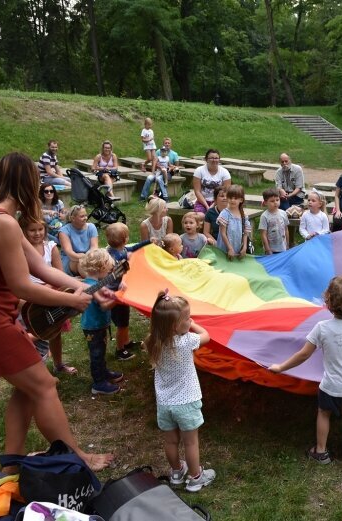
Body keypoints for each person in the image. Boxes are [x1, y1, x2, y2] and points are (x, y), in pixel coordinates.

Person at [0, 151, 113, 472]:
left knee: (27, 389)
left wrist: (82, 286)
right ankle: (78, 458)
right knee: (44, 386)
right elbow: (22, 286)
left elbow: (40, 266)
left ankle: (11, 465)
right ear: (29, 183)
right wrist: (68, 299)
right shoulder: (1, 223)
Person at [269, 276, 342, 464]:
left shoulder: (322, 328)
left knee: (324, 413)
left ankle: (321, 451)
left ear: (329, 301)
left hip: (332, 387)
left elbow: (303, 355)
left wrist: (281, 367)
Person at [144, 291, 215, 492]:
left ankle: (176, 472)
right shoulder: (186, 341)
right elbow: (206, 336)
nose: (190, 320)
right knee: (191, 442)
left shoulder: (152, 342)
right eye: (187, 318)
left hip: (165, 403)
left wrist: (185, 321)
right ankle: (195, 477)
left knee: (170, 440)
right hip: (187, 402)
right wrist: (192, 325)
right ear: (175, 325)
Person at [22, 218, 76, 375]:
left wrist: (50, 287)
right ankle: (34, 370)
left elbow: (59, 273)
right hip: (29, 297)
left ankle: (58, 365)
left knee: (54, 332)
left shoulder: (51, 247)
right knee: (32, 331)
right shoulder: (20, 251)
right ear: (24, 231)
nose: (37, 233)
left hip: (51, 293)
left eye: (40, 229)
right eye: (32, 230)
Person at [78, 249, 124, 395]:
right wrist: (118, 298)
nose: (110, 271)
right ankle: (98, 383)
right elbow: (104, 305)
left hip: (98, 325)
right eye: (109, 268)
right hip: (93, 327)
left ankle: (103, 373)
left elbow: (106, 294)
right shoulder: (92, 286)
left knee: (101, 350)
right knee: (96, 354)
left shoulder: (93, 282)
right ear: (102, 267)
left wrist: (116, 292)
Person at [105, 222, 151, 361]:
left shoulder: (121, 250)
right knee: (122, 323)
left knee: (124, 320)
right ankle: (120, 350)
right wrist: (128, 261)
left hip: (120, 292)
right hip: (116, 294)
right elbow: (118, 271)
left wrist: (148, 242)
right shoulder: (114, 257)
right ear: (125, 238)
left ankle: (126, 342)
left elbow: (133, 248)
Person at [59, 205, 99, 276]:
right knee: (81, 264)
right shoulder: (64, 231)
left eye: (86, 215)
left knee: (103, 256)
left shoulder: (91, 227)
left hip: (89, 257)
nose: (85, 218)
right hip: (71, 260)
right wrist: (84, 258)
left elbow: (94, 247)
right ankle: (93, 282)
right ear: (73, 218)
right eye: (82, 216)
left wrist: (87, 257)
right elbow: (70, 253)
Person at [217, 184, 251, 261]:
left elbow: (245, 233)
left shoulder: (243, 215)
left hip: (237, 247)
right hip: (225, 248)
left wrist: (244, 247)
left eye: (235, 198)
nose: (232, 200)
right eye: (230, 198)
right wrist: (229, 248)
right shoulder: (225, 213)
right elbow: (223, 233)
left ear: (241, 200)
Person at [192, 149, 231, 214]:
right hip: (202, 201)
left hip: (219, 201)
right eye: (211, 158)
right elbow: (197, 191)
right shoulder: (199, 171)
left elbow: (227, 191)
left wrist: (213, 205)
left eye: (216, 158)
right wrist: (207, 206)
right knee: (200, 216)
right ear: (206, 159)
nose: (214, 160)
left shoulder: (225, 172)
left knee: (218, 216)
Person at [260, 188, 289, 254]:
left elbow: (286, 229)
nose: (275, 202)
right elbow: (263, 234)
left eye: (277, 200)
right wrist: (268, 249)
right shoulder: (264, 216)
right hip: (271, 249)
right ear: (265, 202)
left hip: (283, 248)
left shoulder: (283, 213)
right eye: (272, 201)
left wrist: (287, 245)